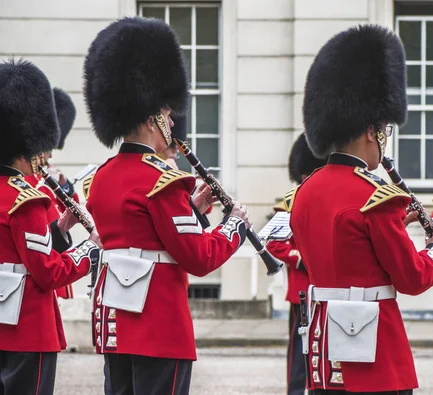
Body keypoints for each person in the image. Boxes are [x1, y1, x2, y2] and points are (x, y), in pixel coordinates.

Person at [82, 17, 250, 395]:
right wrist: (234, 226)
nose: (173, 121)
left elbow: (143, 232)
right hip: (159, 327)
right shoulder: (162, 179)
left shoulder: (103, 177)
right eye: (168, 113)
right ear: (152, 116)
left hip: (116, 328)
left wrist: (189, 207)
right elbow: (198, 257)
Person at [288, 25, 433, 394]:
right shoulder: (376, 198)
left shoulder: (305, 191)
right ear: (370, 131)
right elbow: (411, 278)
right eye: (385, 130)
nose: (385, 138)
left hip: (324, 352)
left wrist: (393, 224)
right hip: (374, 357)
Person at [0, 58, 100, 395]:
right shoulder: (26, 199)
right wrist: (92, 248)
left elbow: (15, 246)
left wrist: (58, 230)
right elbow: (48, 273)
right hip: (26, 328)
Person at [267, 133, 326, 395]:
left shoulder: (328, 199)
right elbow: (275, 245)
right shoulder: (289, 204)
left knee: (323, 347)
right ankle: (295, 390)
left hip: (327, 286)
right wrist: (301, 257)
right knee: (298, 346)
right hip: (302, 288)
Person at [25, 87, 79, 299]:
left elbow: (63, 210)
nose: (48, 154)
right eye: (47, 148)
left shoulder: (44, 175)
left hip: (56, 260)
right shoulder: (26, 179)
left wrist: (65, 187)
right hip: (42, 264)